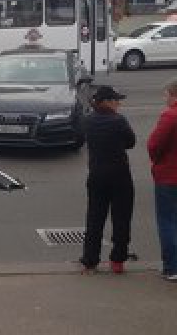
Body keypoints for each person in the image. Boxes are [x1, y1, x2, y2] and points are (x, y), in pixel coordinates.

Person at [80, 85, 136, 274]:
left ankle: (90, 261)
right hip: (120, 175)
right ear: (106, 102)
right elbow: (131, 142)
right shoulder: (119, 121)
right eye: (115, 100)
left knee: (94, 218)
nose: (118, 103)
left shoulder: (88, 120)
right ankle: (118, 260)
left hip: (96, 174)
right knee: (121, 218)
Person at [147, 78, 177, 281]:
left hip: (169, 176)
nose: (164, 98)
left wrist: (157, 160)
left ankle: (172, 267)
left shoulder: (170, 115)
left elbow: (154, 144)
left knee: (167, 221)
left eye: (166, 94)